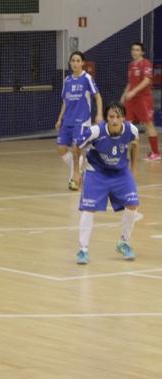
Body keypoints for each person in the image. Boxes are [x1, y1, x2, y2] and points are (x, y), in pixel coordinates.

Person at [72, 102, 139, 265]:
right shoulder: (96, 131)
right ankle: (83, 250)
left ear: (123, 118)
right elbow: (76, 147)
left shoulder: (131, 130)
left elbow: (135, 144)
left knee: (132, 204)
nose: (114, 120)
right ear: (106, 118)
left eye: (118, 117)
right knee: (89, 208)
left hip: (120, 172)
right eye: (111, 117)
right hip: (97, 172)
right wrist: (76, 171)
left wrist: (133, 169)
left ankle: (123, 242)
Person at [55, 51, 103, 191]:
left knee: (76, 150)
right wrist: (60, 118)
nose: (75, 63)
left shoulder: (87, 78)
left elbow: (98, 96)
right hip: (67, 121)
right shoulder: (67, 80)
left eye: (78, 60)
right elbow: (65, 101)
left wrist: (99, 114)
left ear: (82, 63)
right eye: (73, 60)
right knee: (62, 149)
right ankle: (80, 165)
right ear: (70, 63)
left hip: (81, 121)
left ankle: (74, 179)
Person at [120, 42, 159, 161]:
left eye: (137, 50)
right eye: (133, 49)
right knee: (126, 124)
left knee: (148, 124)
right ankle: (124, 152)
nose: (134, 52)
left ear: (142, 52)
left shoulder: (146, 63)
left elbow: (147, 80)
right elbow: (130, 83)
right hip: (131, 100)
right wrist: (124, 95)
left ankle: (156, 153)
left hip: (143, 99)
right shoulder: (131, 65)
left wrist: (134, 91)